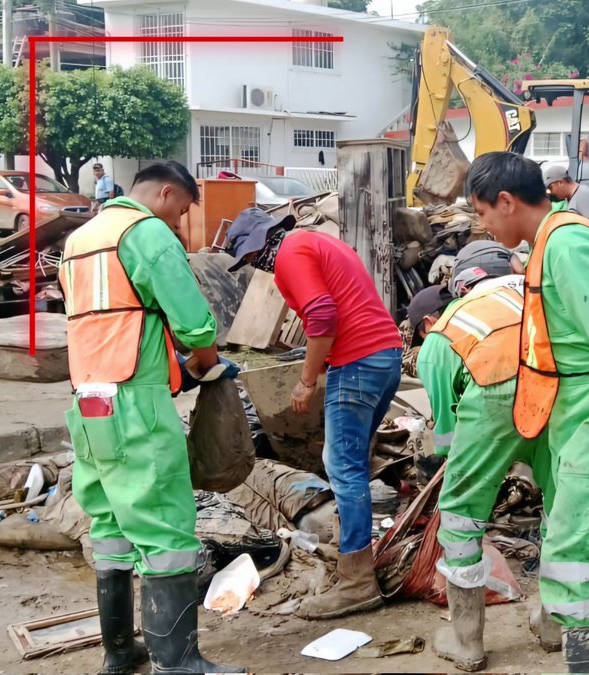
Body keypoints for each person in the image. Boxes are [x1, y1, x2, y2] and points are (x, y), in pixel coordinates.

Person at [464, 151, 589, 673]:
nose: (481, 225)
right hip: (576, 411)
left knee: (570, 551)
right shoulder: (549, 243)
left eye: (482, 212)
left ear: (506, 202)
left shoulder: (568, 246)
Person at [58, 160, 243, 673]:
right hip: (136, 401)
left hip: (88, 399)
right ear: (164, 194)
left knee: (111, 525)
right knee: (165, 529)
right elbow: (195, 325)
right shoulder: (145, 234)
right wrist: (207, 367)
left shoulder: (80, 239)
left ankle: (119, 652)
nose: (179, 225)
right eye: (181, 212)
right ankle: (177, 661)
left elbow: (110, 316)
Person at [225, 207, 403, 620]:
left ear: (262, 244)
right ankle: (352, 550)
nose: (256, 266)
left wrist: (306, 381)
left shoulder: (290, 253)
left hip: (358, 363)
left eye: (252, 258)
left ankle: (357, 581)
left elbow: (323, 315)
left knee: (343, 466)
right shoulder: (321, 242)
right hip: (384, 357)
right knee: (347, 461)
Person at [418, 241, 560, 671]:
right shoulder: (544, 293)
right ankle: (555, 625)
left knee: (461, 516)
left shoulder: (449, 326)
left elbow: (447, 434)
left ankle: (468, 641)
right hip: (561, 391)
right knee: (562, 510)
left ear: (461, 281)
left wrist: (460, 469)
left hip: (491, 392)